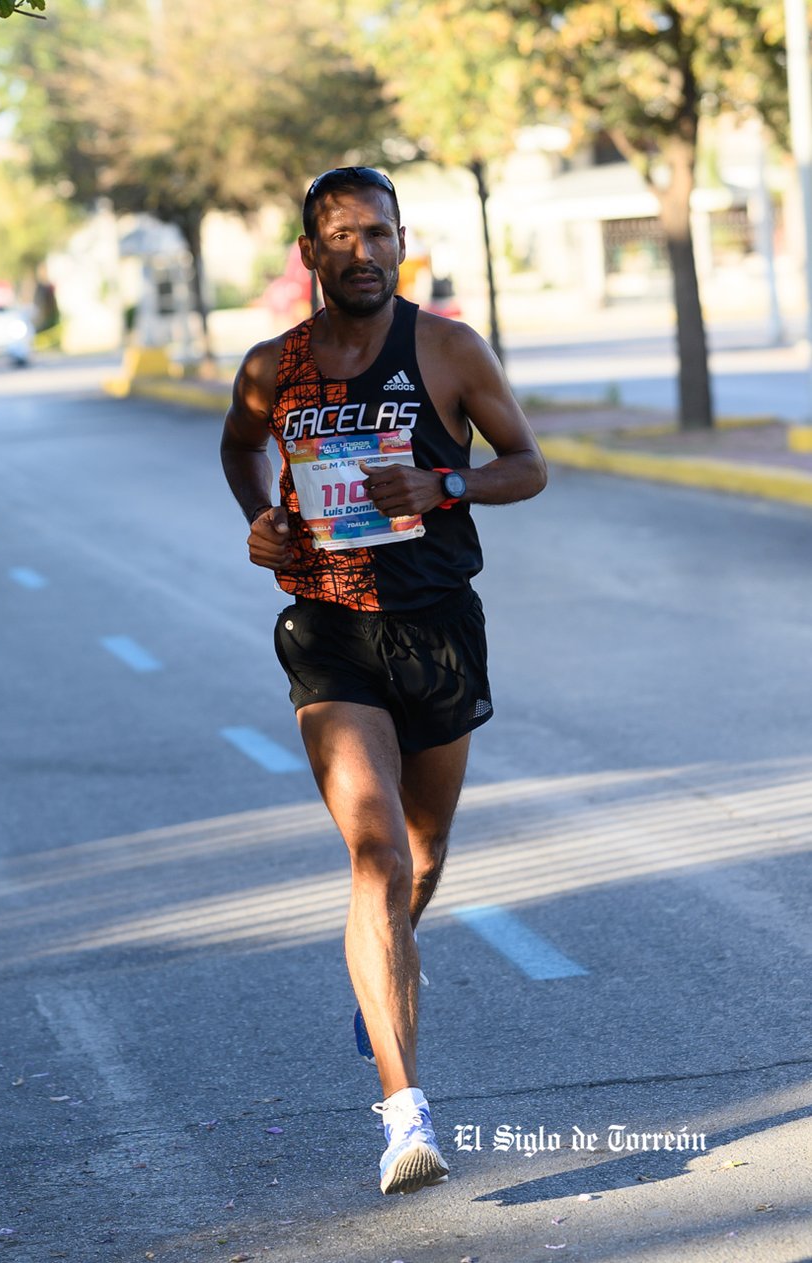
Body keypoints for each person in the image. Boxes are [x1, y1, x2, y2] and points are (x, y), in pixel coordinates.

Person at [221, 167, 547, 1196]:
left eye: (380, 234)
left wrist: (446, 482)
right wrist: (263, 520)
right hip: (328, 629)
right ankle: (404, 1113)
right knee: (373, 855)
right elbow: (239, 451)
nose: (364, 252)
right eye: (342, 237)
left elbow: (526, 465)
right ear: (309, 254)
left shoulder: (447, 349)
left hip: (436, 625)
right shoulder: (273, 367)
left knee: (418, 852)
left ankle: (384, 966)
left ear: (399, 242)